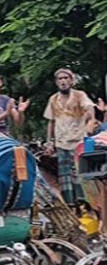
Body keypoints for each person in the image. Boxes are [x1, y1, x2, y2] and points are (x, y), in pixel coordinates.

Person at [44, 68, 95, 205]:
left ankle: (85, 204)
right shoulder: (53, 99)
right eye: (60, 79)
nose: (63, 81)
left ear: (71, 81)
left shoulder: (80, 95)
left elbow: (89, 108)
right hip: (61, 142)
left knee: (80, 173)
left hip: (78, 141)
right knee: (64, 175)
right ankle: (70, 204)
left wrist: (90, 121)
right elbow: (51, 121)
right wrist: (49, 142)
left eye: (66, 78)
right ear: (56, 82)